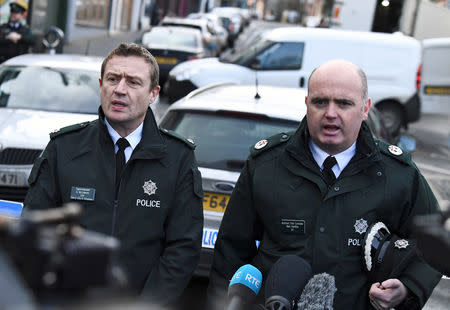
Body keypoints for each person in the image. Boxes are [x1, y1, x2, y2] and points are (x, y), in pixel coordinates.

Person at [206, 59, 442, 309]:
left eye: (344, 103)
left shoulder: (398, 173)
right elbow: (229, 254)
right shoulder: (266, 164)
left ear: (365, 109)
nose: (331, 113)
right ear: (307, 105)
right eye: (320, 102)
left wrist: (407, 287)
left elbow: (435, 244)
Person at [24, 43, 204, 307]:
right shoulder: (64, 148)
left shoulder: (177, 158)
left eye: (133, 82)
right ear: (101, 84)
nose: (120, 89)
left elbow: (183, 248)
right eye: (112, 79)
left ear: (153, 94)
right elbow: (35, 230)